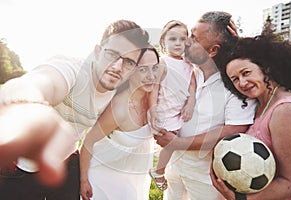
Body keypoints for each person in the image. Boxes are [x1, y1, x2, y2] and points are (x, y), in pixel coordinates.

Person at [0, 19, 152, 200]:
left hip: (68, 163)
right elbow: (43, 82)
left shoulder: (120, 89)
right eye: (112, 54)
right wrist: (28, 105)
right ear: (97, 51)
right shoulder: (73, 69)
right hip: (19, 169)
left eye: (128, 61)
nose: (117, 67)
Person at [153, 11, 257, 200]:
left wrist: (178, 143)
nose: (186, 42)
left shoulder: (235, 84)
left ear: (212, 51)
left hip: (204, 179)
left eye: (194, 38)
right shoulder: (189, 68)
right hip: (175, 167)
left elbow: (234, 128)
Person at [210, 36, 291, 200]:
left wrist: (241, 199)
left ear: (266, 68)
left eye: (246, 73)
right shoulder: (257, 104)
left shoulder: (286, 110)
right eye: (235, 79)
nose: (242, 83)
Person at [79, 46, 162, 200]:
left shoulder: (151, 97)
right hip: (101, 178)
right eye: (143, 70)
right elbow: (88, 143)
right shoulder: (119, 109)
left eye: (154, 68)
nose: (151, 76)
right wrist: (83, 181)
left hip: (128, 181)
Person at [148, 20, 196, 191]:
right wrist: (152, 108)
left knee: (175, 141)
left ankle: (164, 170)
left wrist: (190, 104)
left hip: (178, 110)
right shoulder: (163, 62)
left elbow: (192, 86)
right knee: (170, 142)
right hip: (164, 109)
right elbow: (155, 87)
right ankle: (158, 171)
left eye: (182, 39)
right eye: (172, 39)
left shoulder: (189, 64)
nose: (177, 43)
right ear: (164, 42)